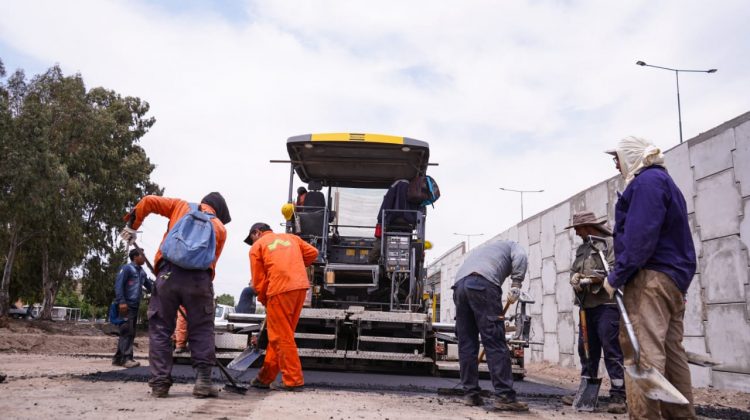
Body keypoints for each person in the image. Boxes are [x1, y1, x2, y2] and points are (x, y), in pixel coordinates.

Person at [603, 137, 697, 419]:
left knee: (641, 353)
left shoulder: (646, 183)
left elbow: (641, 237)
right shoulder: (666, 183)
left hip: (650, 278)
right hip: (672, 279)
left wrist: (617, 275)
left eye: (617, 158)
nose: (615, 165)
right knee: (672, 355)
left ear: (631, 157)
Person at [119, 192, 230, 398]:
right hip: (200, 282)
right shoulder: (220, 228)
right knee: (202, 330)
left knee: (161, 328)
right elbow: (211, 263)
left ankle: (160, 384)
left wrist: (132, 227)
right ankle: (203, 382)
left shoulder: (180, 206)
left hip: (168, 276)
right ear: (219, 211)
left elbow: (148, 201)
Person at [452, 239, 529, 412]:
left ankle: (471, 394)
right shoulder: (514, 246)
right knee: (494, 341)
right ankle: (505, 397)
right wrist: (516, 283)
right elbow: (521, 256)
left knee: (467, 343)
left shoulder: (484, 252)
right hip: (482, 284)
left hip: (459, 287)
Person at [561, 211, 626, 414]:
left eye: (578, 229)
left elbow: (615, 270)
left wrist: (589, 279)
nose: (577, 233)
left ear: (588, 226)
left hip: (606, 305)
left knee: (611, 349)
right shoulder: (582, 249)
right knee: (587, 350)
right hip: (586, 306)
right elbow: (575, 270)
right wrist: (575, 279)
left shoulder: (609, 244)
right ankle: (586, 392)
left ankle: (618, 395)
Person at [244, 222, 318, 391]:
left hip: (279, 290)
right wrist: (295, 264)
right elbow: (313, 253)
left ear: (257, 233)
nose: (252, 243)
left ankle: (293, 380)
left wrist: (264, 299)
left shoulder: (258, 247)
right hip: (299, 288)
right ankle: (265, 378)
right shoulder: (291, 238)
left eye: (252, 239)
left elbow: (257, 281)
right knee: (281, 336)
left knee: (280, 337)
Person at [112, 248, 153, 368]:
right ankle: (126, 358)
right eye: (142, 255)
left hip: (135, 306)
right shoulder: (127, 269)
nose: (144, 257)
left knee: (129, 331)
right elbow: (118, 285)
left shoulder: (142, 272)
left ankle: (118, 359)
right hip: (126, 305)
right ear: (135, 257)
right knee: (127, 331)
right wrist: (121, 302)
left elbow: (149, 286)